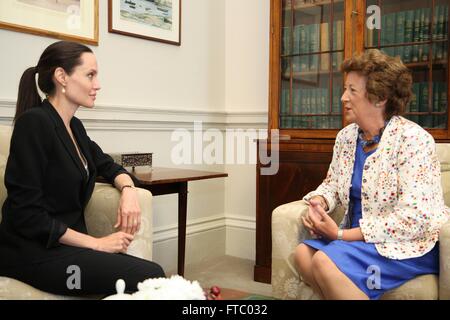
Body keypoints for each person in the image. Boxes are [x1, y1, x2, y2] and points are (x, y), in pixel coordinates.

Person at [0, 41, 165, 296]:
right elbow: (26, 214)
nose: (97, 85)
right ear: (61, 77)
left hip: (66, 248)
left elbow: (107, 165)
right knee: (150, 276)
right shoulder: (33, 124)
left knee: (151, 273)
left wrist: (129, 190)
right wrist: (97, 244)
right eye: (90, 75)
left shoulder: (74, 127)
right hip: (33, 253)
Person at [294, 49, 449, 300]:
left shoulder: (414, 140)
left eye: (352, 90)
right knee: (303, 254)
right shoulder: (346, 137)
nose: (343, 97)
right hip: (359, 240)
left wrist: (341, 235)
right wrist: (319, 201)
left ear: (380, 97)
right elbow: (332, 183)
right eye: (345, 89)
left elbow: (414, 218)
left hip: (406, 243)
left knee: (323, 261)